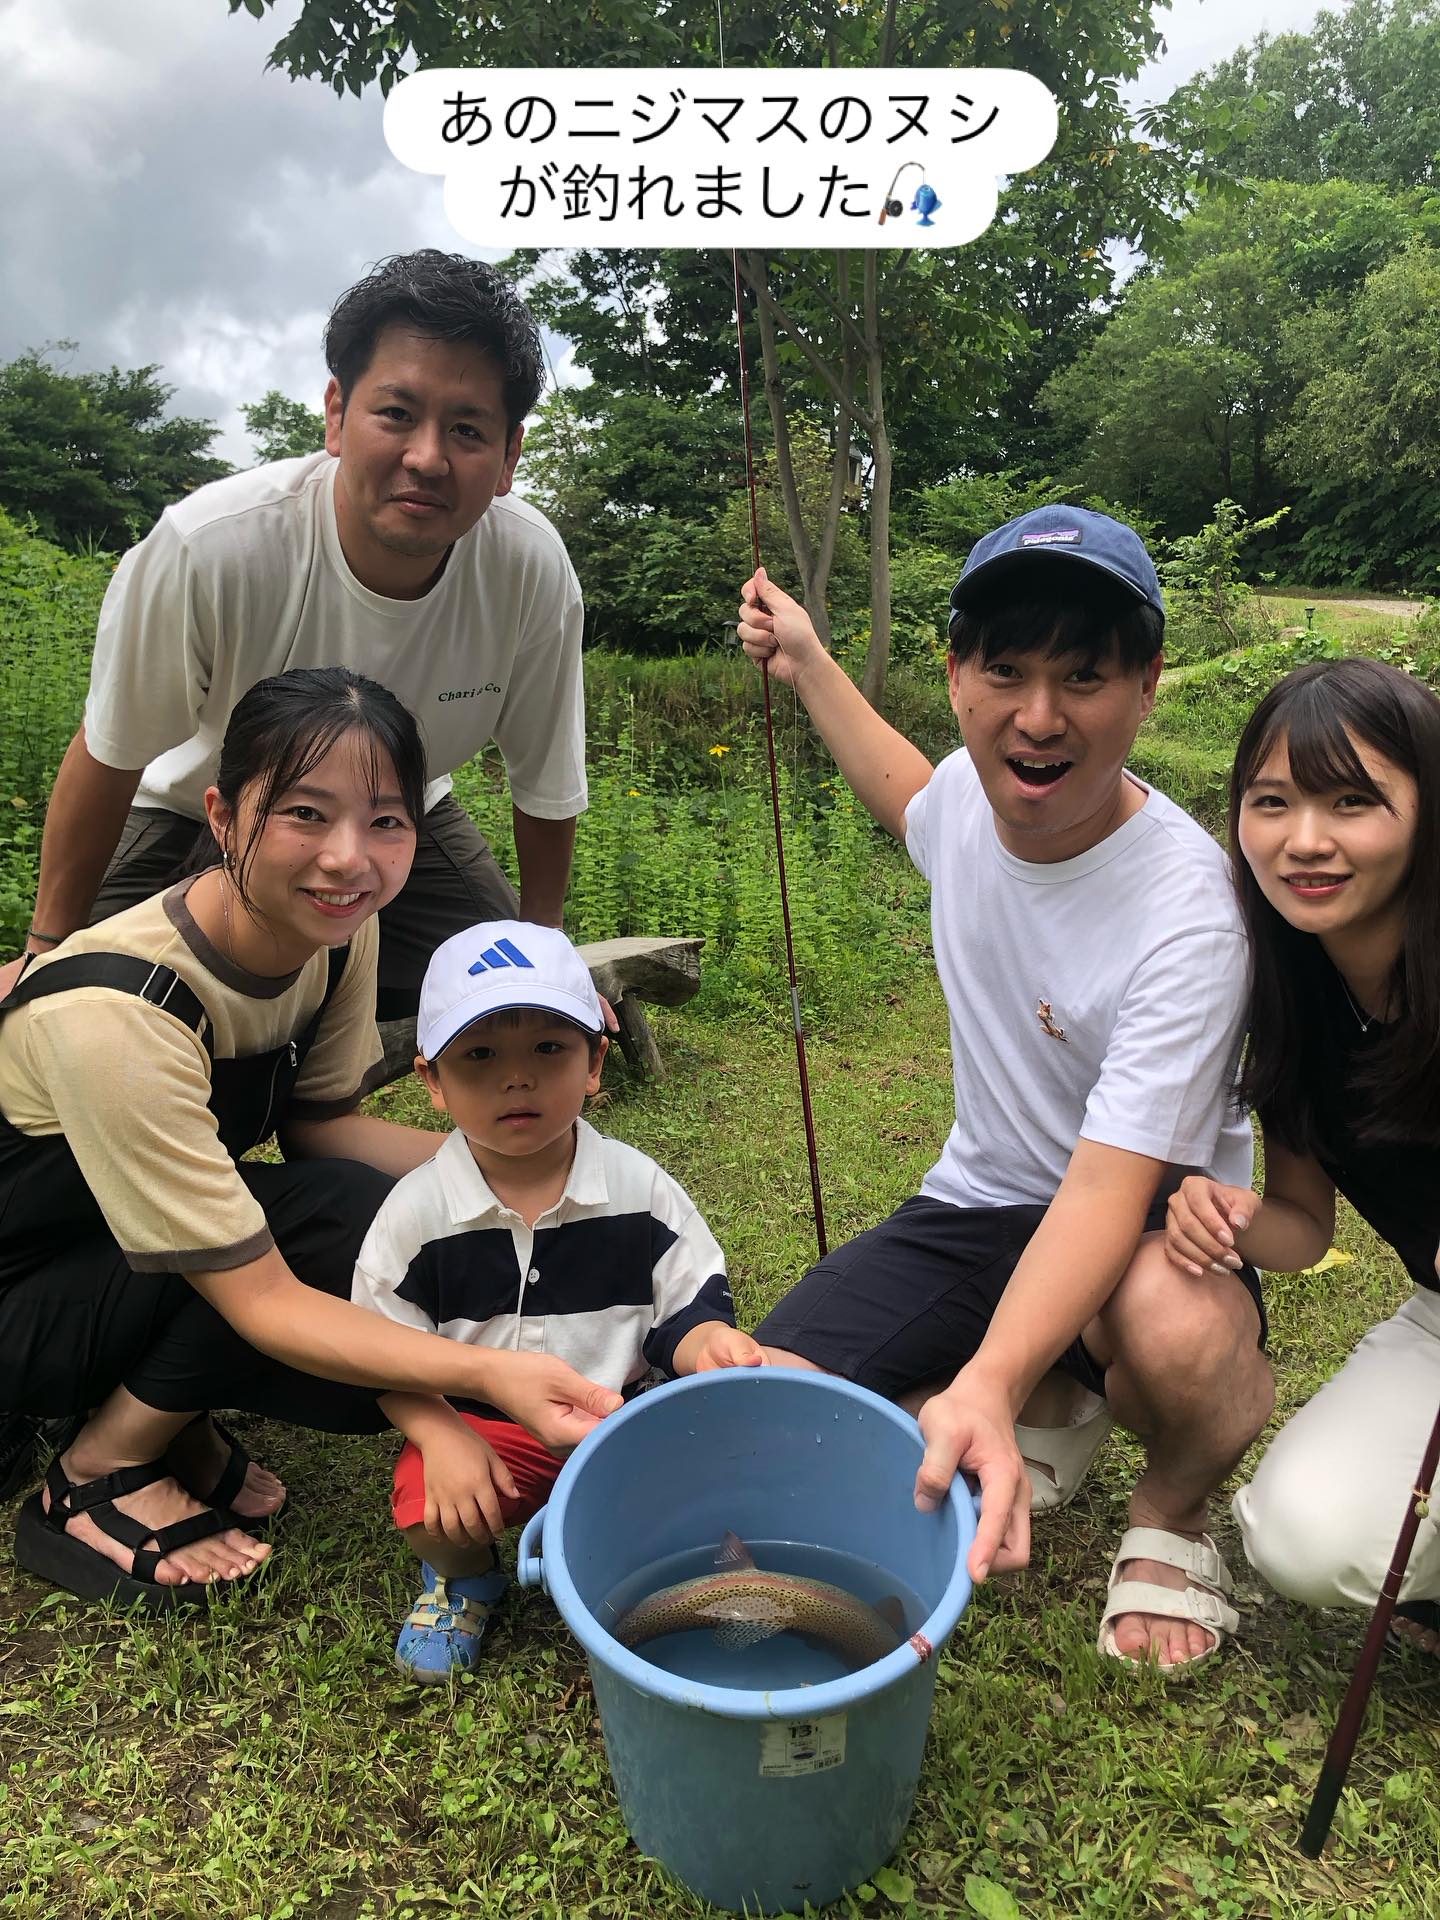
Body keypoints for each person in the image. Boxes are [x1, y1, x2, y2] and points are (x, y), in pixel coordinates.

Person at [737, 506, 1274, 1669]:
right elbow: (906, 790)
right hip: (974, 1209)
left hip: (1147, 1230)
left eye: (1083, 676)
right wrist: (810, 660)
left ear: (1147, 686)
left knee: (1179, 1333)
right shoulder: (966, 808)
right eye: (1007, 672)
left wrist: (982, 1379)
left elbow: (1104, 1190)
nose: (1038, 717)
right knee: (763, 1401)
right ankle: (1049, 1399)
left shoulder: (1191, 913)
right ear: (956, 676)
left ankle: (1169, 1513)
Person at [0, 668, 619, 1610]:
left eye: (386, 820)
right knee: (329, 1238)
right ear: (223, 816)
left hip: (113, 1247)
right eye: (304, 813)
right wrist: (489, 1374)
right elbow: (265, 1295)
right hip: (21, 1292)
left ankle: (169, 1413)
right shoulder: (119, 1011)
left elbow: (321, 1126)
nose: (347, 859)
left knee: (386, 1219)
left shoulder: (332, 933)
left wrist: (544, 1173)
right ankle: (93, 1473)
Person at [0, 249, 587, 1021]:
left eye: (468, 429)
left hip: (396, 817)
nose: (427, 457)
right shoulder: (212, 547)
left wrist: (544, 949)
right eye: (397, 414)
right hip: (192, 807)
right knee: (96, 1001)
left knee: (501, 993)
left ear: (509, 456)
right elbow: (110, 752)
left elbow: (546, 781)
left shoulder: (529, 569)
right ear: (337, 414)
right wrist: (48, 947)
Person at [351, 919, 764, 1680]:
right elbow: (381, 1355)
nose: (518, 1078)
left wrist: (708, 1344)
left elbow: (687, 1304)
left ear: (595, 1062)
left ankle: (664, 1564)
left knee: (714, 1494)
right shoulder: (414, 1214)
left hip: (623, 1419)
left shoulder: (640, 1188)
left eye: (549, 1048)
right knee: (425, 1504)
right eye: (480, 1055)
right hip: (484, 1429)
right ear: (433, 1081)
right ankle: (466, 1577)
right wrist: (439, 1434)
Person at [1163, 657, 1440, 1658]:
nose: (1306, 839)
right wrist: (1225, 1214)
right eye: (1272, 801)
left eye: (1353, 801)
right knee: (1297, 1534)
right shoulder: (1289, 993)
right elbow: (1304, 1226)